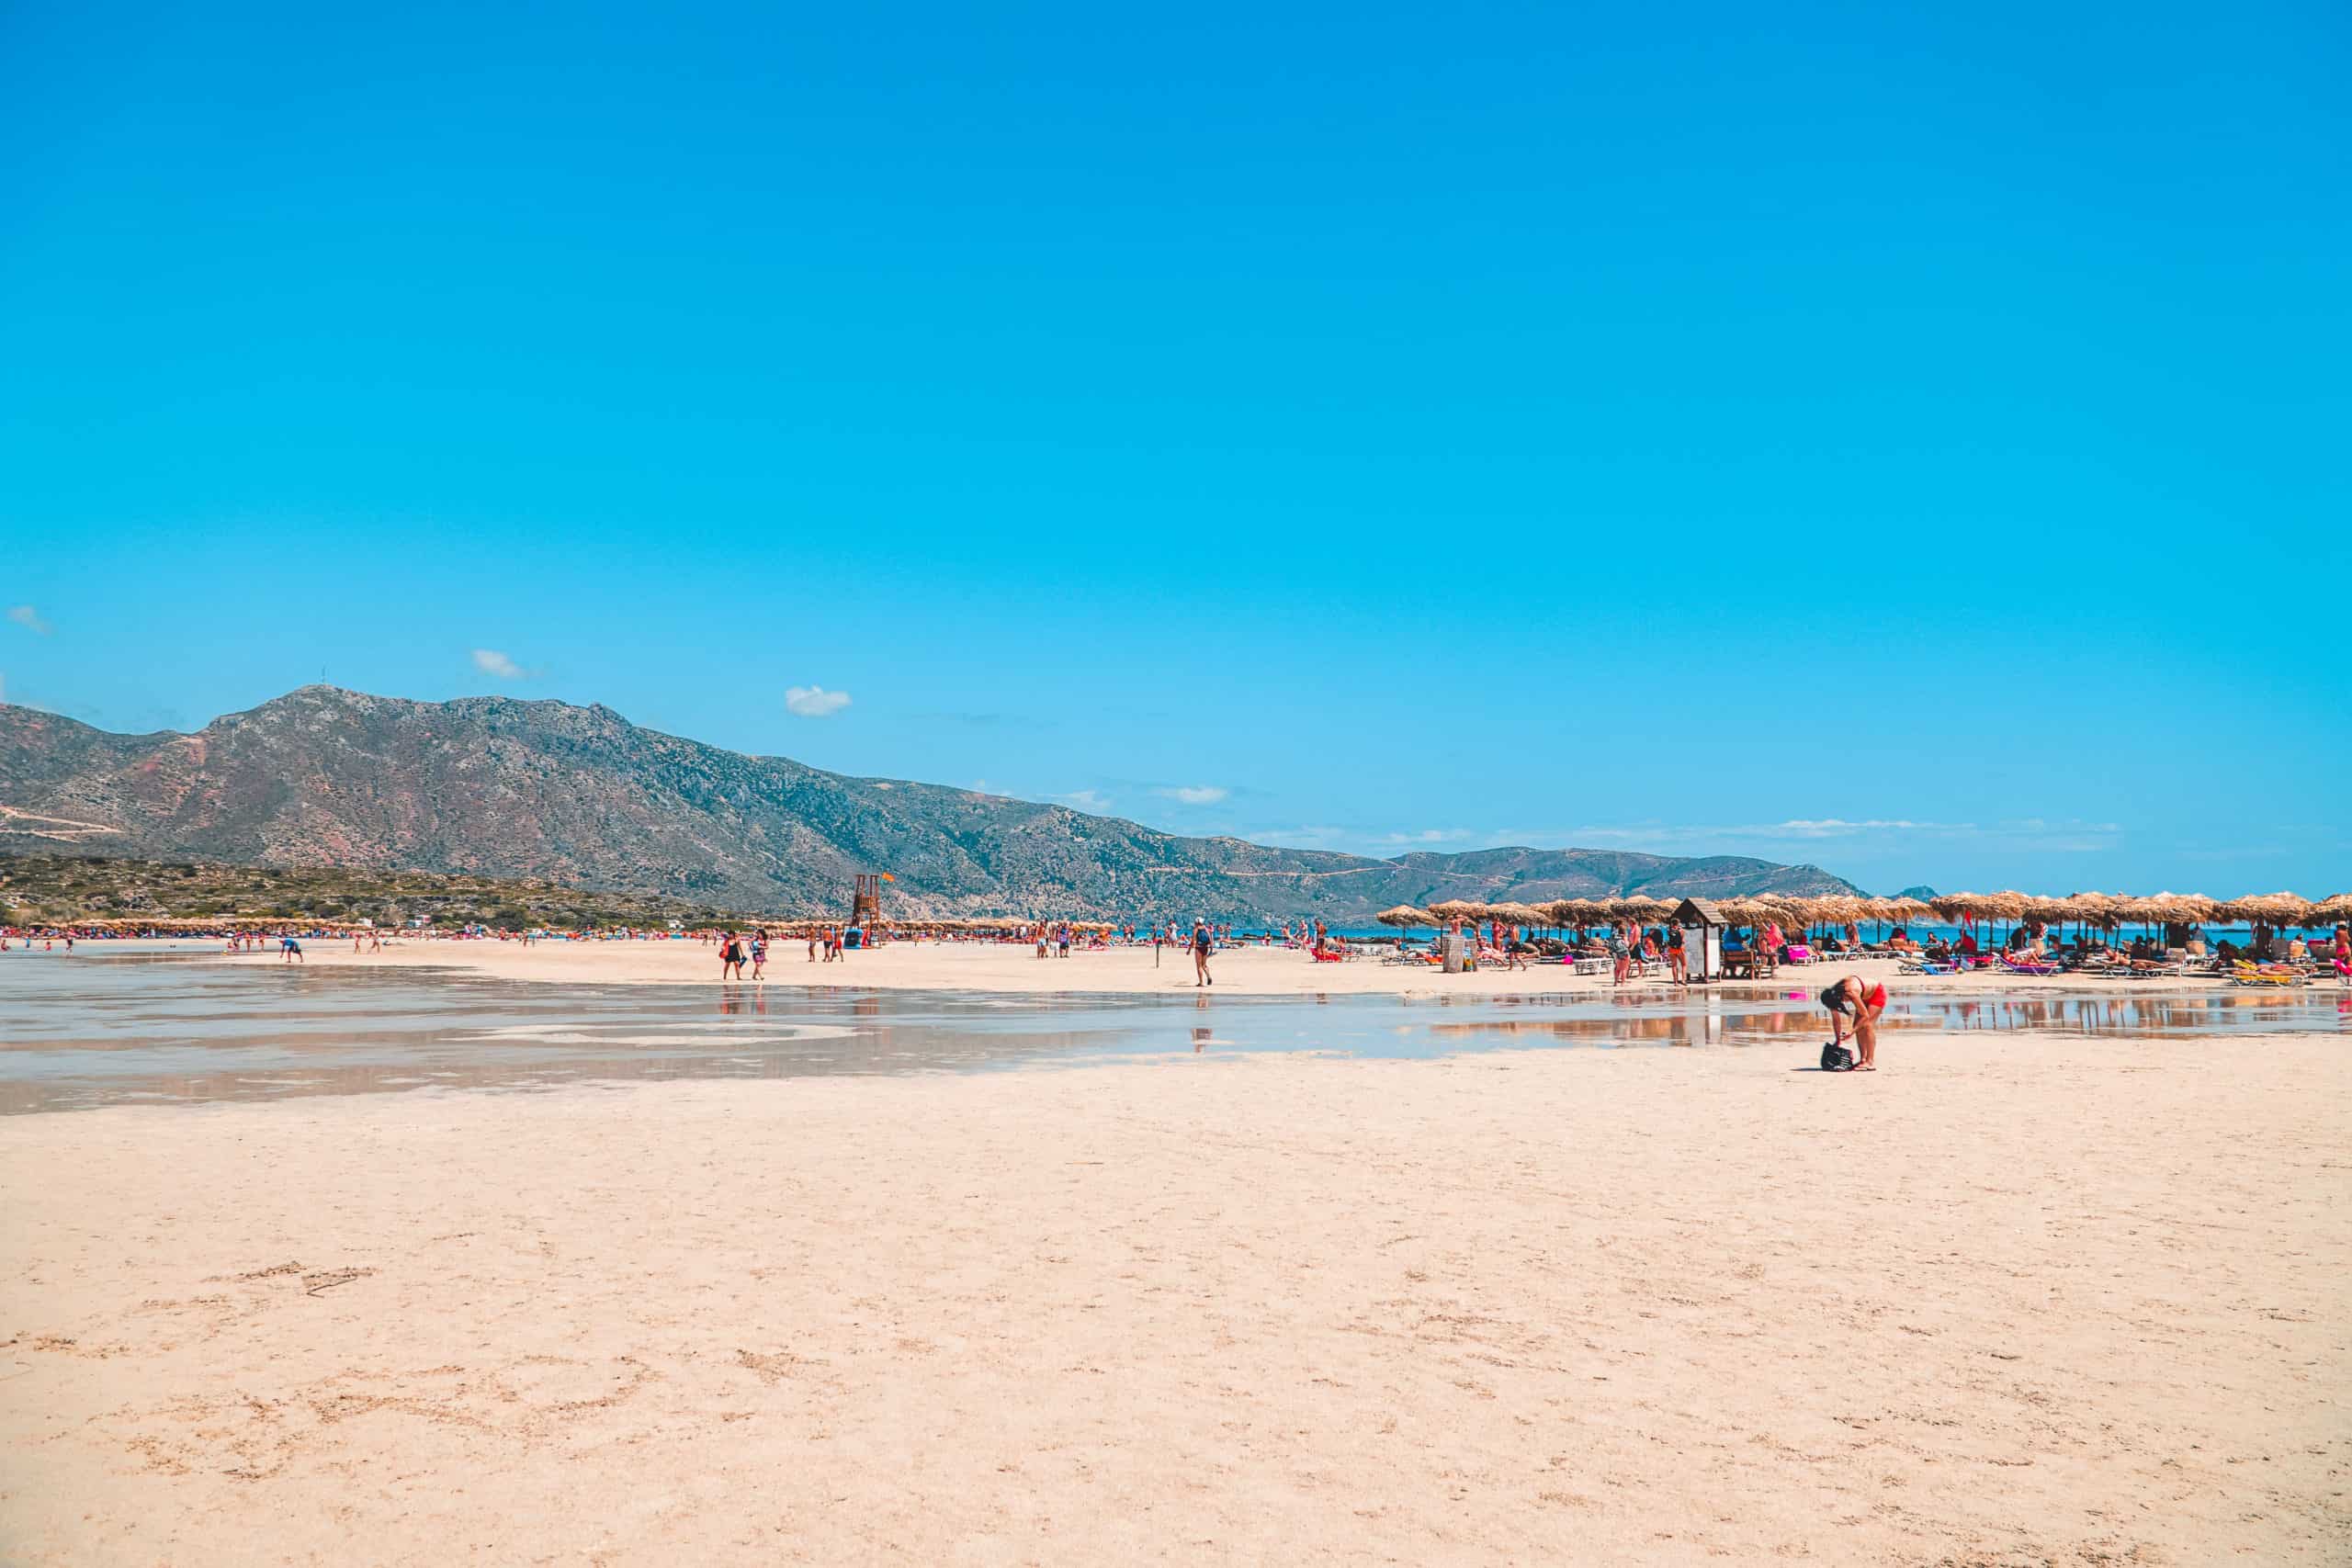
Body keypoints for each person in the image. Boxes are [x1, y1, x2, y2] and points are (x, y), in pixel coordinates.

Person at [1820, 974, 1888, 1070]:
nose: (1845, 1002)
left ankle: (1870, 1061)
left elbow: (1865, 1016)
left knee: (1867, 1025)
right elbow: (1836, 1020)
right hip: (1864, 996)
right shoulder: (1832, 996)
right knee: (1858, 1026)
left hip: (1877, 993)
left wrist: (1851, 1032)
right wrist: (1837, 1039)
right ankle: (1863, 1060)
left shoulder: (1850, 992)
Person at [1192, 919, 1214, 987]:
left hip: (1199, 948)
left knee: (1199, 966)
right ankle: (1208, 976)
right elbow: (1210, 939)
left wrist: (1189, 949)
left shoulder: (1196, 929)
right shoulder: (1206, 929)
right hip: (1205, 947)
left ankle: (1201, 982)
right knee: (1204, 965)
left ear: (1197, 922)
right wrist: (1211, 948)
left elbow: (1193, 940)